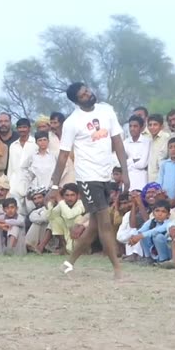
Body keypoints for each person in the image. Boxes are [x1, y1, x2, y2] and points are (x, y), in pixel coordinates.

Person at [50, 82, 131, 280]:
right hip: (88, 177)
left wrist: (125, 172)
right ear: (77, 100)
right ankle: (117, 269)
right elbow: (63, 155)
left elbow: (118, 142)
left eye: (88, 90)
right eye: (84, 94)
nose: (89, 94)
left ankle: (69, 263)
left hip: (106, 175)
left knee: (94, 226)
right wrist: (53, 185)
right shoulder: (72, 122)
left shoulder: (107, 111)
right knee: (105, 222)